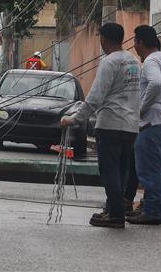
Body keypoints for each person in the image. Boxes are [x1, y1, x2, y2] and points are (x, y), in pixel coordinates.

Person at [60, 22, 140, 228]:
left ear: (103, 39)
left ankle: (114, 214)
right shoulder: (133, 61)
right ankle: (114, 209)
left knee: (109, 170)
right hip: (130, 126)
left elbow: (95, 97)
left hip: (111, 124)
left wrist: (75, 119)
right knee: (122, 170)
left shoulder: (109, 62)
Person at [124, 25, 161, 225]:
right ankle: (160, 209)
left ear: (141, 42)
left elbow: (156, 83)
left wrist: (142, 108)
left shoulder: (150, 61)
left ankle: (151, 211)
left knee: (148, 170)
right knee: (158, 169)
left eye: (135, 41)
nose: (134, 46)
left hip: (150, 124)